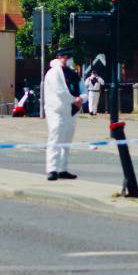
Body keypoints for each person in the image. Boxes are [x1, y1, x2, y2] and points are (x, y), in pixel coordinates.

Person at [44, 46, 88, 181]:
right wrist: (76, 100)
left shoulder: (73, 73)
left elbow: (84, 89)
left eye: (70, 57)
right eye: (67, 57)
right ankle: (52, 169)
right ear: (59, 57)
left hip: (71, 112)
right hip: (57, 112)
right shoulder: (53, 73)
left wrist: (82, 98)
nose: (69, 60)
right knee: (55, 140)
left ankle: (62, 169)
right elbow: (60, 92)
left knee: (67, 142)